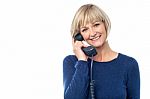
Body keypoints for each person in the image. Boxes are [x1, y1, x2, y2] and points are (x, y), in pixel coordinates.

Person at [63, 3, 140, 99]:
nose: (92, 33)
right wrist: (82, 61)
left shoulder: (129, 64)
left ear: (105, 25)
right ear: (79, 36)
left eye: (96, 25)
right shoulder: (72, 62)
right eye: (85, 29)